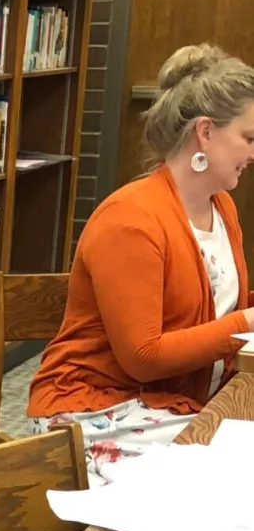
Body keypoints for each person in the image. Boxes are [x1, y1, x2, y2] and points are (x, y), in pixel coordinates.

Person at [29, 43, 254, 482]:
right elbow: (143, 356)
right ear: (205, 132)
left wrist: (245, 316)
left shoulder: (221, 207)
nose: (253, 153)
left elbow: (216, 310)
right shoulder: (131, 219)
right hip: (98, 408)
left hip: (171, 402)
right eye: (248, 138)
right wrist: (246, 324)